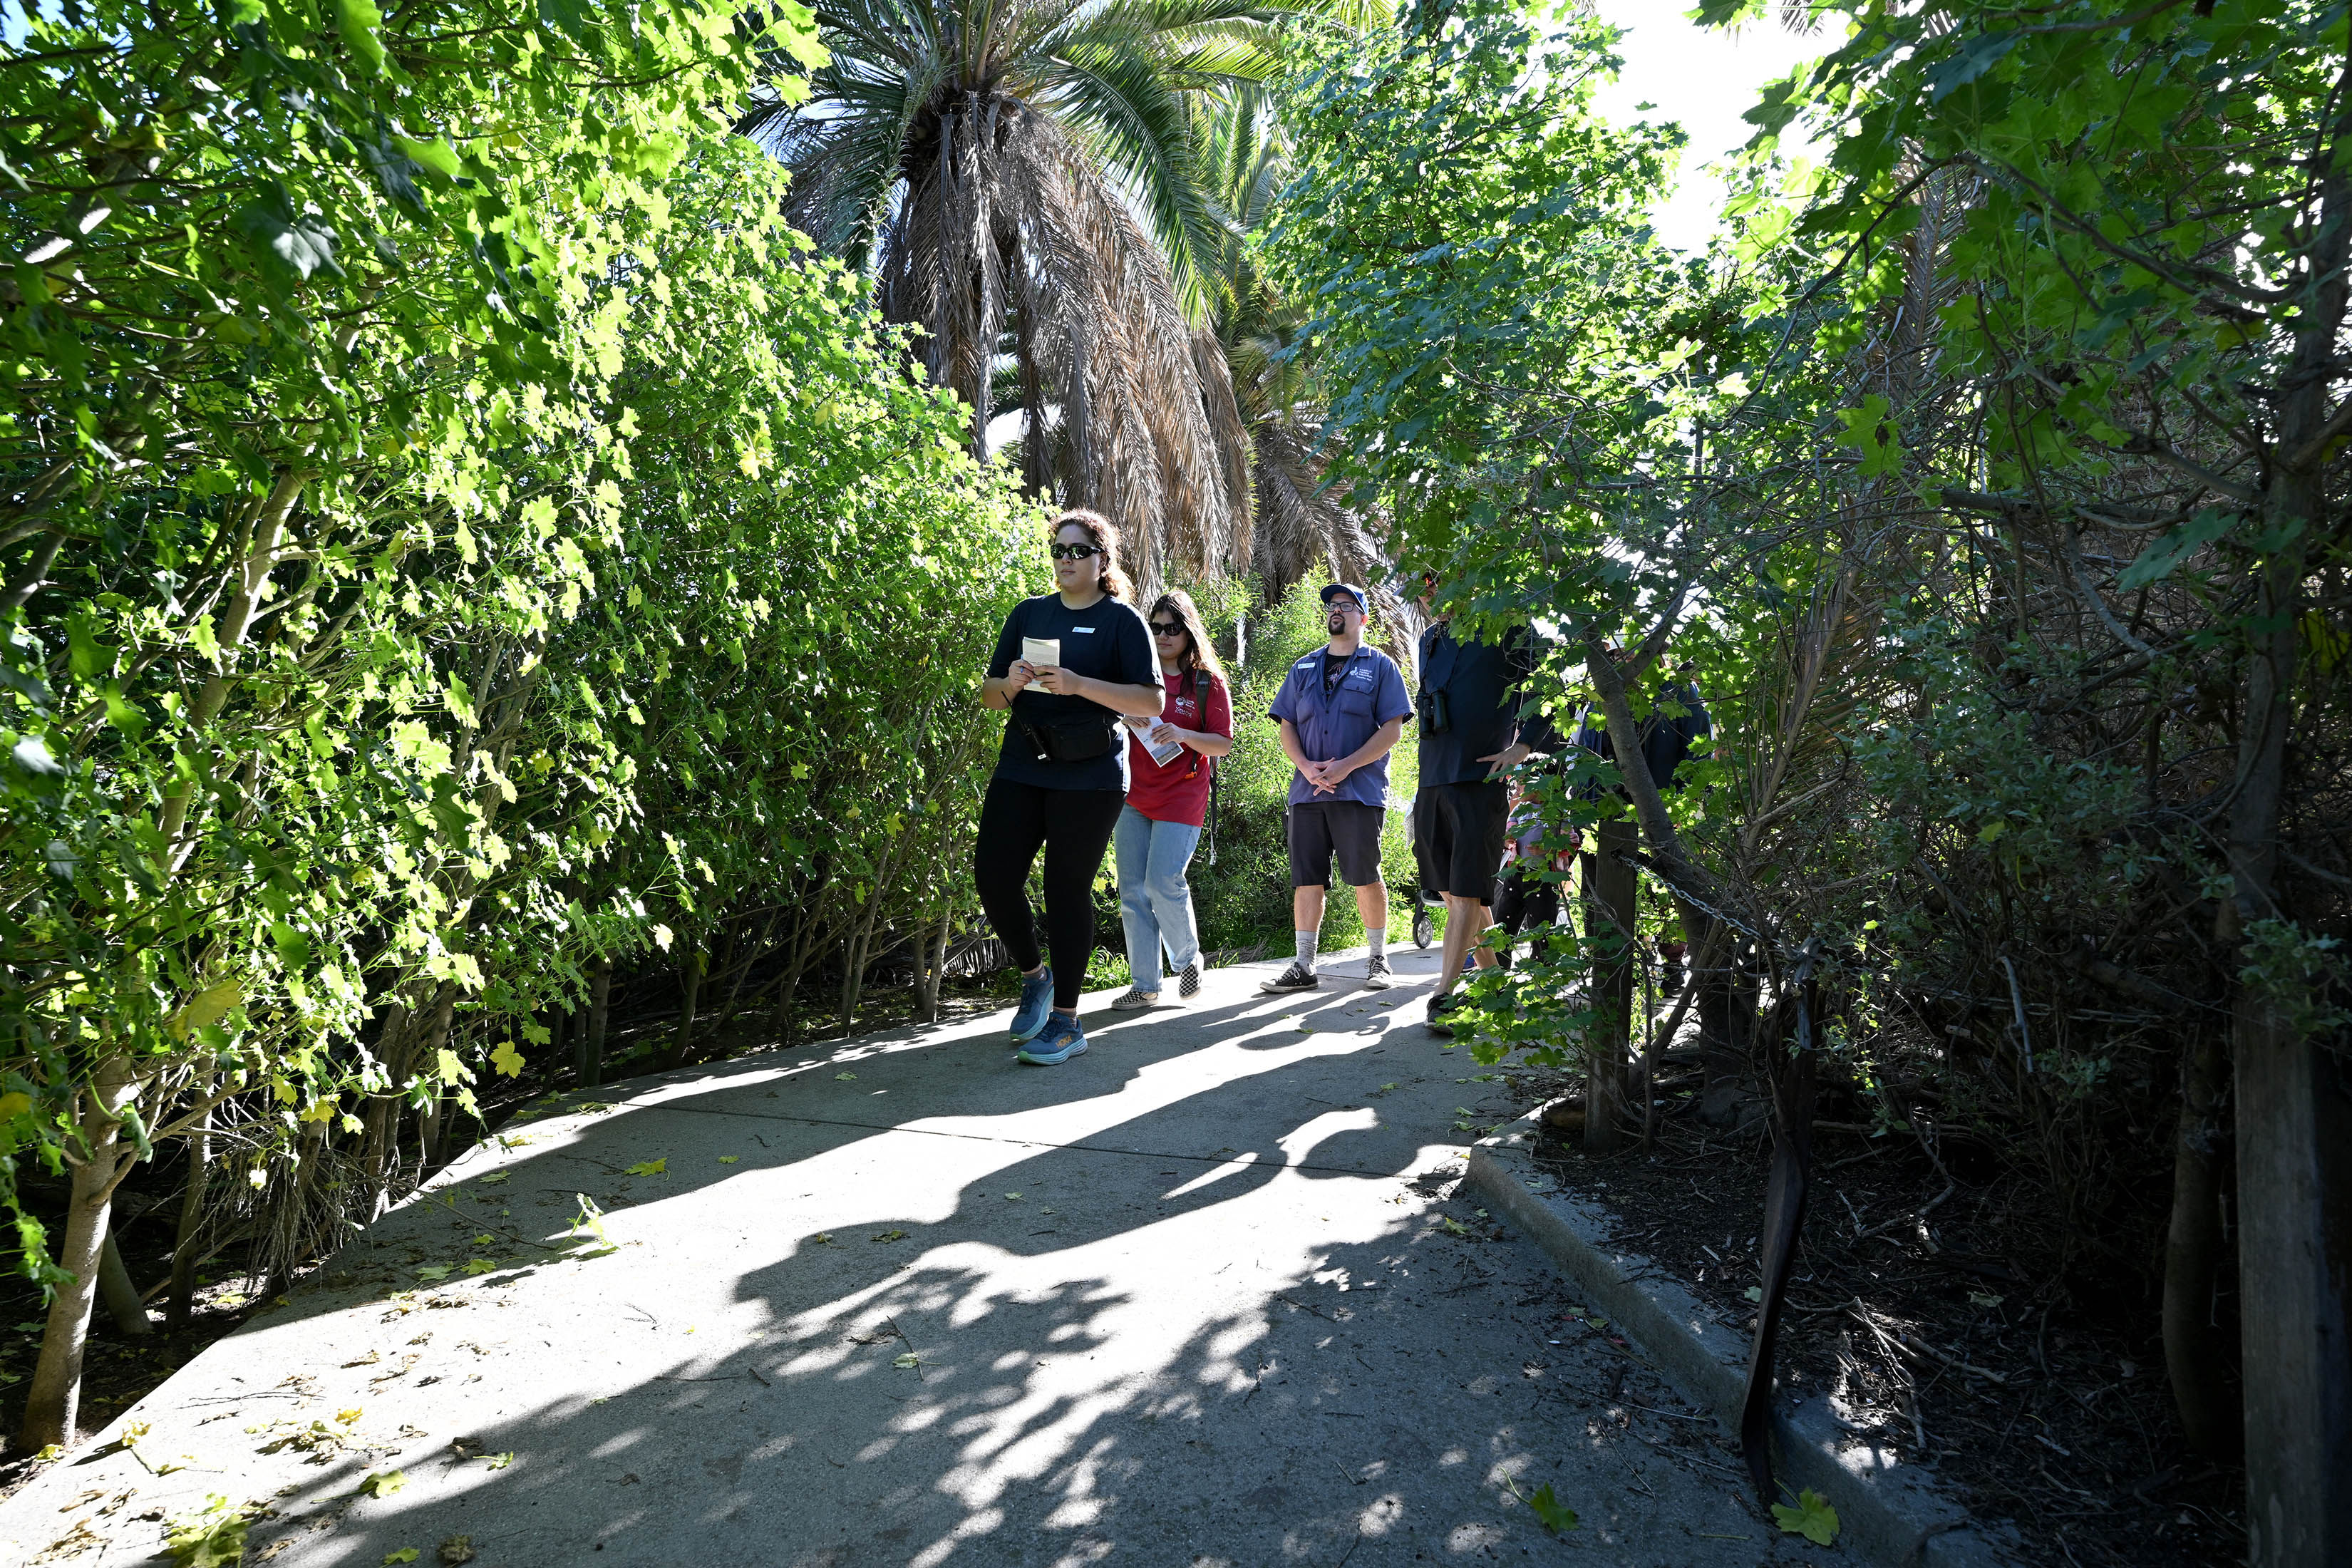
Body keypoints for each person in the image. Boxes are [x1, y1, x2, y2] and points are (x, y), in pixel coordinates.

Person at [976, 511, 1165, 1066]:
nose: (1066, 559)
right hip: (1023, 762)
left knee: (1064, 889)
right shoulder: (1029, 613)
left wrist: (1081, 685)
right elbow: (988, 695)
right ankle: (1035, 977)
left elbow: (1151, 702)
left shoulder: (1121, 622)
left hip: (1091, 775)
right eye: (1060, 549)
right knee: (993, 875)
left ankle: (1067, 1021)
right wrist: (1008, 683)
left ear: (1102, 560)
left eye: (1079, 551)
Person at [1411, 571, 1559, 1036]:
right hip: (1433, 778)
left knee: (1468, 892)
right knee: (1460, 893)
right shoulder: (1428, 640)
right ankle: (1497, 985)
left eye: (1438, 579)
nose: (1430, 590)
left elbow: (1548, 682)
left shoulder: (1505, 624)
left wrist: (1525, 745)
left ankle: (1445, 995)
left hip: (1481, 779)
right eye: (1423, 583)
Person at [1260, 582, 1414, 994]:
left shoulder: (1380, 666)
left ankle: (1378, 960)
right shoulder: (1304, 668)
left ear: (1363, 618)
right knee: (1306, 878)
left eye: (1346, 606)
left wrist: (1345, 767)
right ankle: (1303, 965)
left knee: (1364, 874)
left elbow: (1393, 730)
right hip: (1308, 791)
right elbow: (1287, 724)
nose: (1336, 611)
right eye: (1331, 605)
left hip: (1359, 791)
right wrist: (1306, 767)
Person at [1110, 590, 1234, 1011]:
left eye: (1173, 628)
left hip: (1183, 794)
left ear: (1188, 631)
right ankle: (1145, 985)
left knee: (1162, 881)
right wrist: (1123, 714)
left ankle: (1187, 962)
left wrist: (1182, 734)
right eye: (1156, 627)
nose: (1163, 635)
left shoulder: (1206, 682)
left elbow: (1222, 744)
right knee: (1131, 891)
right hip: (1132, 794)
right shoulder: (1134, 677)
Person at [1570, 652, 1711, 993]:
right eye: (1613, 654)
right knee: (1600, 894)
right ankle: (1612, 972)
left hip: (1659, 818)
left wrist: (1682, 807)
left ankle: (1672, 965)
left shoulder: (1678, 693)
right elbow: (1579, 760)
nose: (1622, 660)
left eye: (1629, 651)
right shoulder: (1593, 700)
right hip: (1600, 821)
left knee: (1664, 892)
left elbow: (1699, 754)